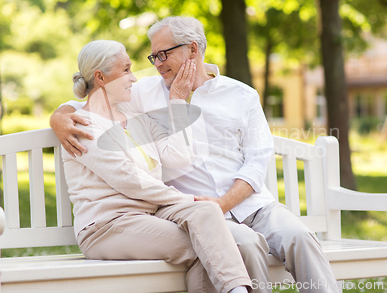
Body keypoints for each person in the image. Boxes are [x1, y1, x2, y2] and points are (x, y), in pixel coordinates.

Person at [51, 17, 339, 293]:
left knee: (301, 237)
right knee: (246, 246)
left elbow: (257, 161)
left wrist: (223, 204)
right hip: (190, 211)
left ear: (192, 49)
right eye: (154, 57)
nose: (157, 64)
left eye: (163, 54)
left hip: (251, 205)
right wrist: (59, 117)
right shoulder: (145, 92)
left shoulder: (241, 95)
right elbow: (94, 97)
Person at [61, 39, 252, 293]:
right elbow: (128, 180)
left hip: (149, 217)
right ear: (101, 77)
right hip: (106, 226)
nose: (134, 78)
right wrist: (188, 199)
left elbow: (178, 158)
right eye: (126, 70)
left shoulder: (138, 122)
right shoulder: (82, 126)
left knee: (207, 215)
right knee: (207, 246)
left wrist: (177, 102)